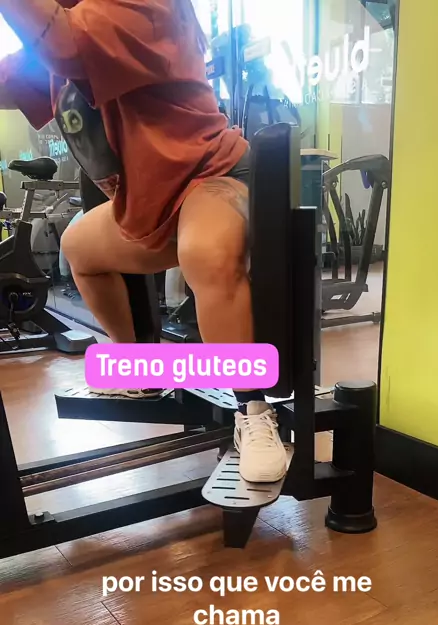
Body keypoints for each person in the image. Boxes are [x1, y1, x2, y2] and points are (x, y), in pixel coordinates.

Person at [0, 0, 288, 483]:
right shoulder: (67, 28)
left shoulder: (143, 5)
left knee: (204, 252)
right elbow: (18, 75)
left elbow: (63, 43)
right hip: (150, 206)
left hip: (212, 178)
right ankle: (140, 370)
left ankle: (254, 413)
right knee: (79, 248)